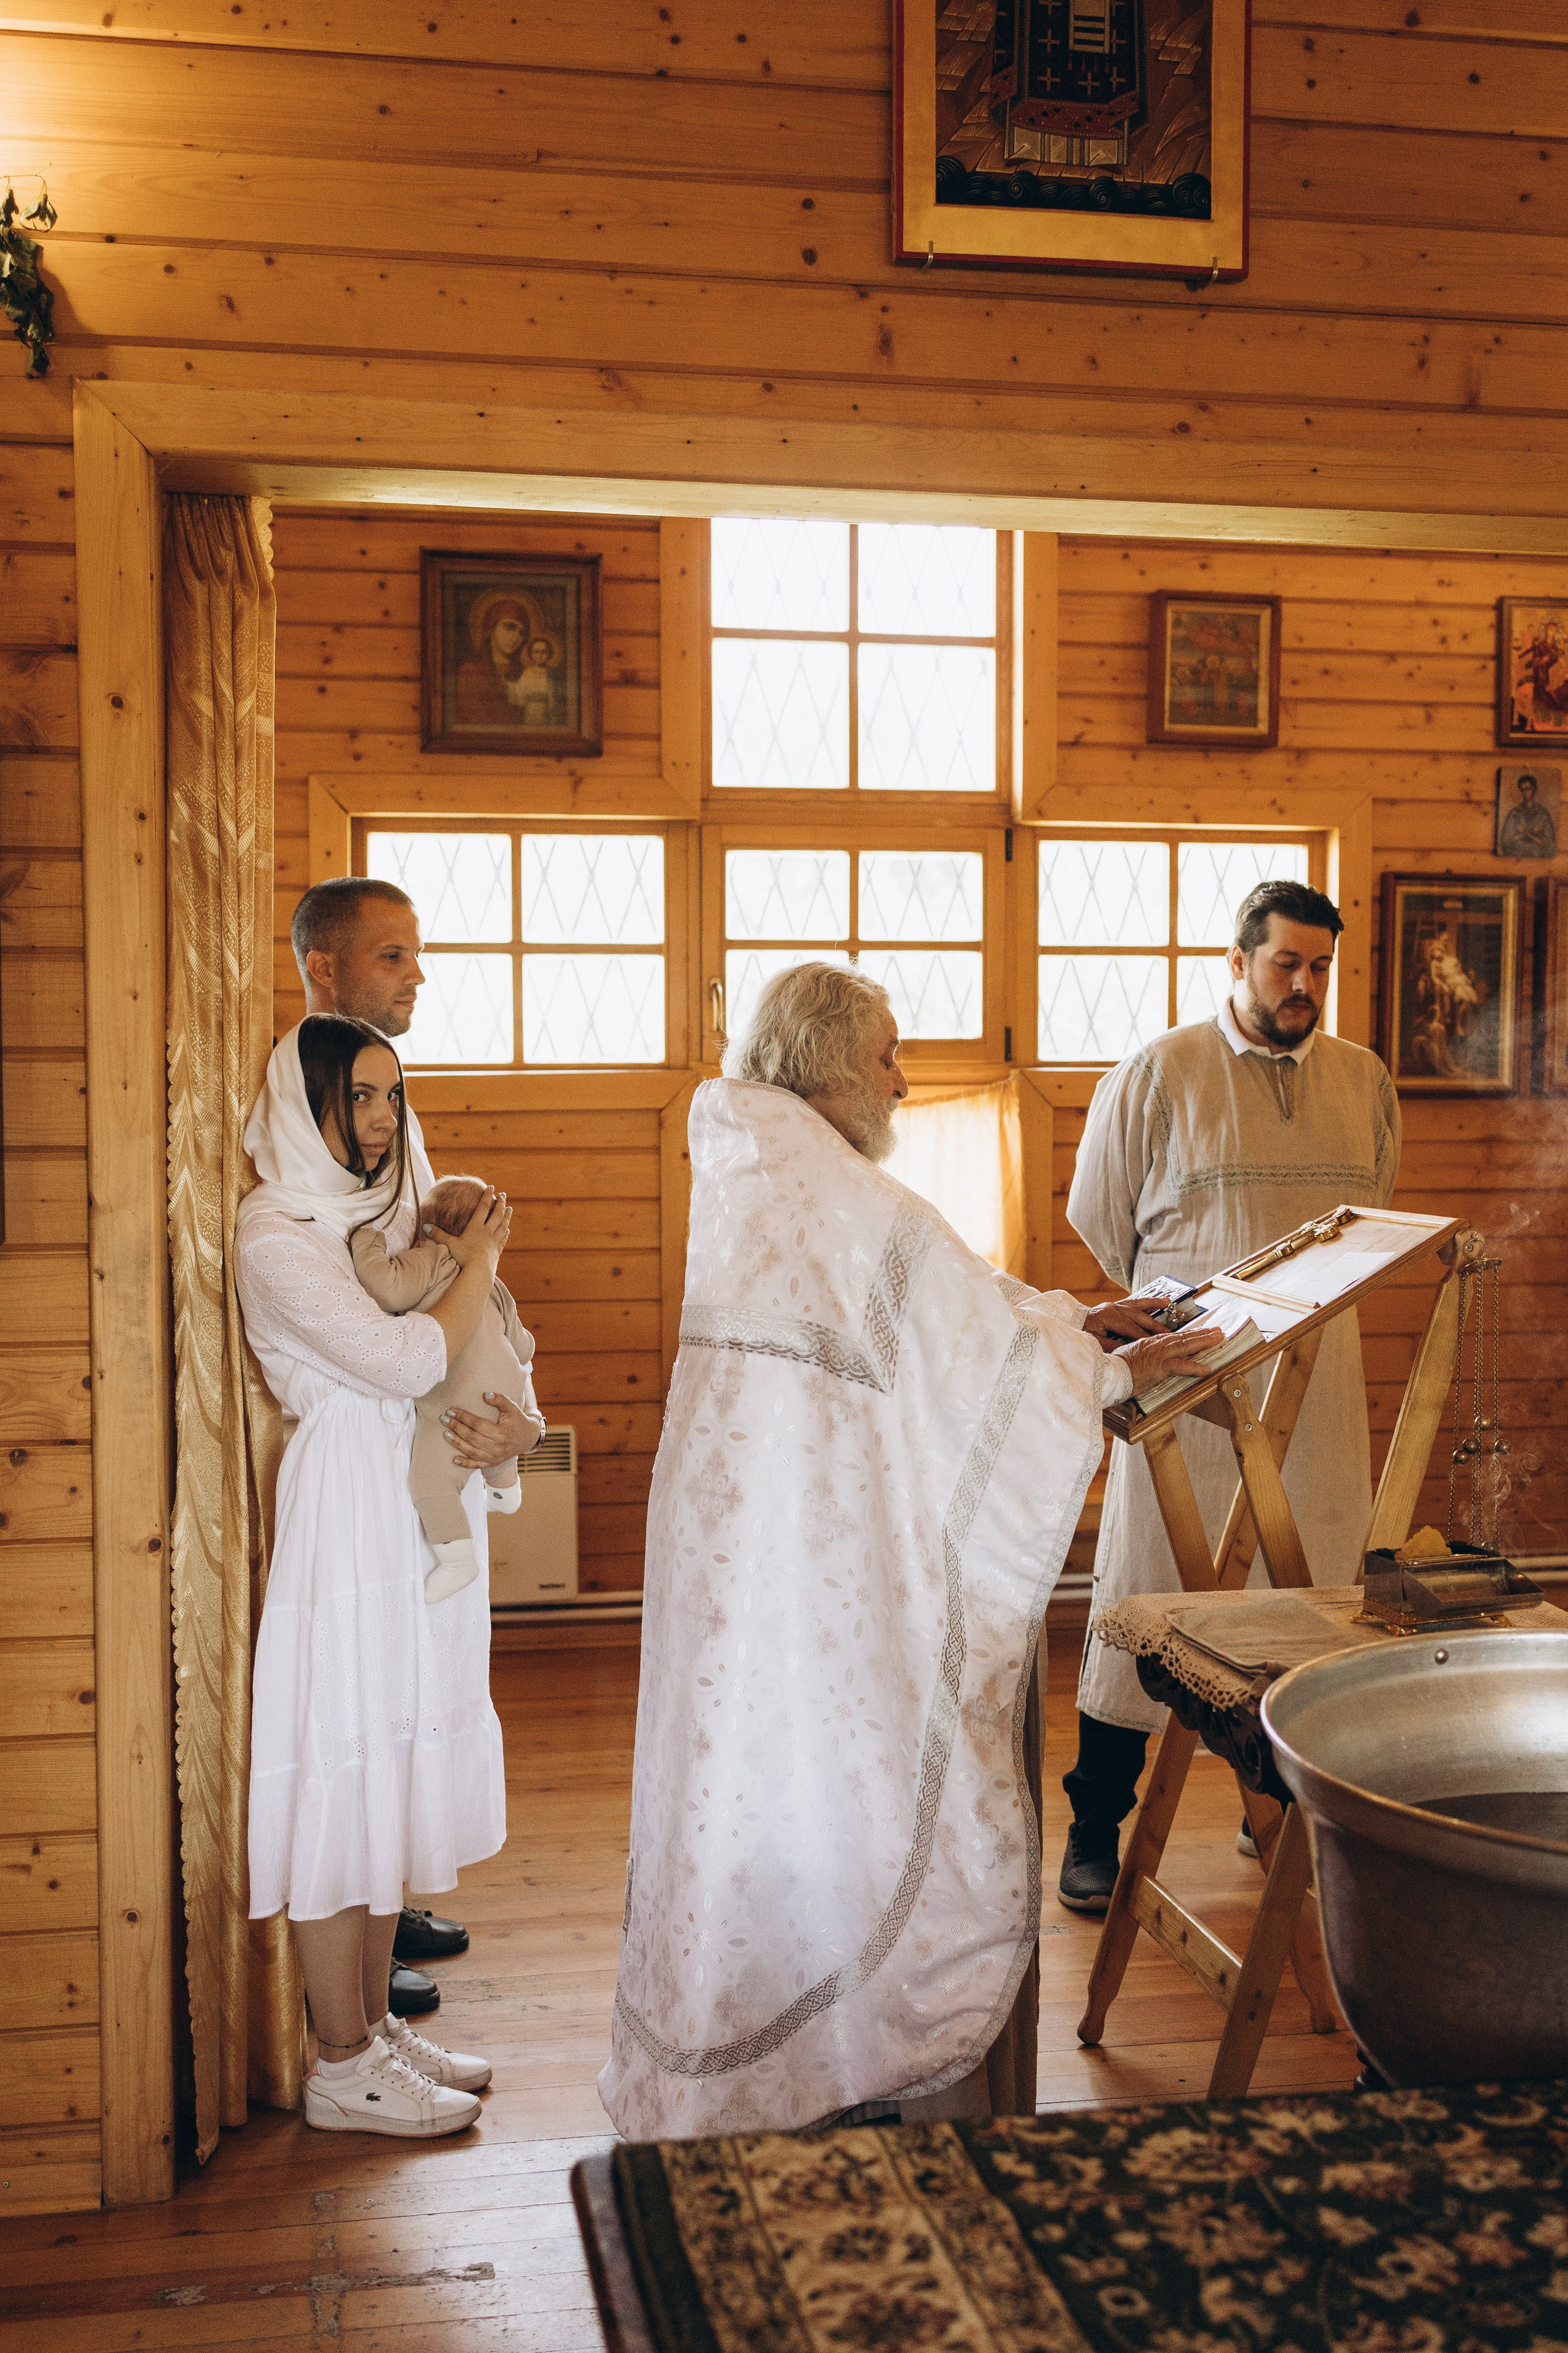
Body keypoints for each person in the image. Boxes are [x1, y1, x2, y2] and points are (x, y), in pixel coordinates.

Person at [598, 962, 1216, 2139]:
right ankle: (849, 2028)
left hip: (746, 1549)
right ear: (833, 1064)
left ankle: (743, 2014)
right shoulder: (851, 1202)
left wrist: (1075, 1325)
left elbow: (946, 1324)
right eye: (887, 1053)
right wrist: (1118, 1369)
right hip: (819, 1546)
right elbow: (959, 1353)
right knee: (850, 1775)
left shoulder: (753, 1166)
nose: (903, 1076)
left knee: (755, 1772)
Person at [1060, 878, 1401, 1913]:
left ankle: (1285, 1813)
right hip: (1190, 1399)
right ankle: (1094, 1827)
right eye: (1286, 963)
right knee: (1146, 1601)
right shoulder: (1159, 1073)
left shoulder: (1364, 1077)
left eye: (1321, 968)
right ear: (1238, 960)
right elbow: (1101, 1223)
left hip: (1321, 1397)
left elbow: (1374, 1214)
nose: (1304, 985)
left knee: (1310, 1604)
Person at [236, 1016, 513, 2135]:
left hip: (408, 1491)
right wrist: (482, 1256)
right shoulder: (276, 1234)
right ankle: (338, 2058)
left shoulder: (377, 1214)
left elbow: (476, 1342)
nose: (382, 1120)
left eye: (392, 1096)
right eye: (357, 1097)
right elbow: (408, 1355)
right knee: (341, 1766)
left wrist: (507, 1432)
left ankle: (373, 2025)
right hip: (348, 1504)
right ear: (305, 1106)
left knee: (391, 1751)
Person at [292, 875, 540, 1989]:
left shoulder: (395, 1105)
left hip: (432, 1398)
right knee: (372, 1689)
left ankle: (393, 1903)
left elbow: (444, 1261)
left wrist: (510, 1400)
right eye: (393, 956)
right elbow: (397, 1292)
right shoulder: (307, 1114)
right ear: (322, 970)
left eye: (417, 953)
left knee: (431, 1674)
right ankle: (363, 1948)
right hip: (365, 1434)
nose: (418, 975)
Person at [352, 1171, 547, 1601]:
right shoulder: (495, 1284)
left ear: (429, 1229)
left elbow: (386, 1286)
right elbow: (523, 1345)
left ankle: (458, 1559)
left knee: (430, 1484)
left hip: (457, 1401)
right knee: (498, 1430)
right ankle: (506, 1489)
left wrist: (366, 1241)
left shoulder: (431, 1261)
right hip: (509, 1395)